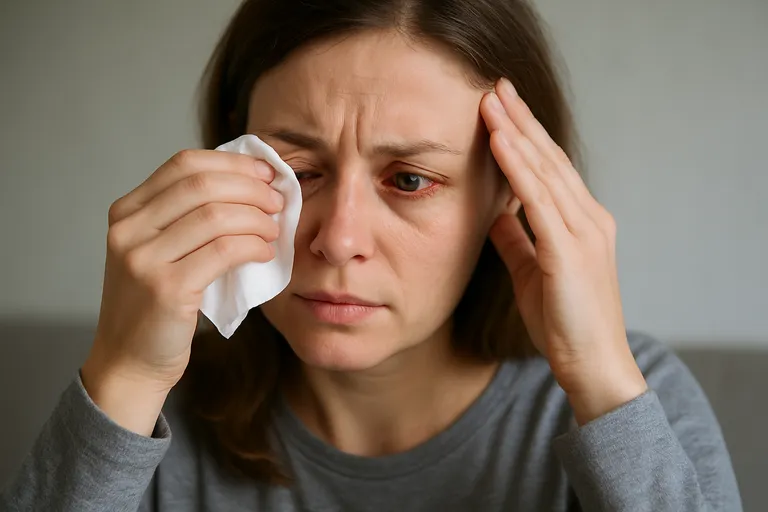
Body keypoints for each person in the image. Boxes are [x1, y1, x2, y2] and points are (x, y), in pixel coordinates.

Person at [0, 0, 743, 510]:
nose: (339, 239)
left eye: (410, 180)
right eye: (298, 171)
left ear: (512, 190)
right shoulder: (156, 420)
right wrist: (125, 378)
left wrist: (601, 381)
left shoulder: (631, 404)